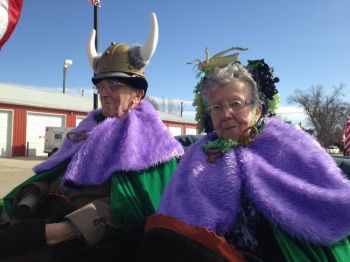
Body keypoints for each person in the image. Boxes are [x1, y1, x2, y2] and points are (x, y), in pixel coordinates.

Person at [0, 12, 184, 261]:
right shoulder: (85, 132)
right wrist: (24, 205)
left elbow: (135, 209)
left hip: (87, 242)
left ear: (138, 94)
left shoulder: (155, 144)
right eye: (101, 86)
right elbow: (54, 176)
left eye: (115, 86)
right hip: (44, 216)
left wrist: (55, 232)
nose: (105, 93)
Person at [142, 47, 350, 261]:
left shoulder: (289, 143)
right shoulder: (197, 155)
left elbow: (329, 198)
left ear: (257, 110)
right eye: (217, 107)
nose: (226, 114)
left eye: (236, 104)